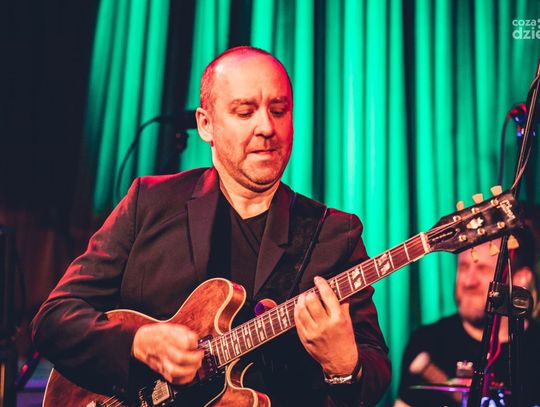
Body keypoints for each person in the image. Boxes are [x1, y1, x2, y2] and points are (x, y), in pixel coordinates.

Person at [31, 46, 391, 406]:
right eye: (245, 111)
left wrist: (344, 365)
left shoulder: (333, 234)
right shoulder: (151, 203)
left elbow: (374, 370)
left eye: (279, 110)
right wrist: (137, 342)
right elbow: (53, 319)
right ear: (206, 124)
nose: (267, 127)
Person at [395, 235, 540, 407]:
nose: (468, 281)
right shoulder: (426, 341)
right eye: (463, 267)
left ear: (520, 278)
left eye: (483, 269)